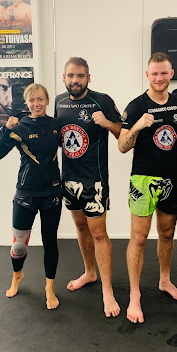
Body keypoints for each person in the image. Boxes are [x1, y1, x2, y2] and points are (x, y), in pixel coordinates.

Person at [118, 52, 177, 324]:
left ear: (171, 74)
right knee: (138, 238)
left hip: (172, 178)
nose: (159, 78)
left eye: (164, 73)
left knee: (167, 233)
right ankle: (134, 295)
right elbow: (122, 146)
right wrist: (137, 126)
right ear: (147, 75)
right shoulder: (136, 106)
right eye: (154, 73)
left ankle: (165, 280)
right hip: (143, 180)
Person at [55, 57, 122, 318]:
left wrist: (107, 123)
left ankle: (107, 290)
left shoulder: (102, 101)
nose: (75, 80)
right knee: (81, 227)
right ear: (64, 78)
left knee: (99, 233)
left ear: (88, 78)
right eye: (71, 75)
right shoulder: (59, 102)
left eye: (80, 76)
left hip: (94, 180)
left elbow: (123, 133)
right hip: (69, 179)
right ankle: (89, 272)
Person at [0, 83, 62, 309]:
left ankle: (49, 288)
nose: (36, 104)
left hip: (52, 192)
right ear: (27, 103)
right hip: (26, 194)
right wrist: (6, 128)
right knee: (19, 246)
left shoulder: (56, 124)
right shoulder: (19, 126)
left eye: (40, 99)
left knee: (50, 242)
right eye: (32, 100)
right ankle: (17, 275)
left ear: (47, 100)